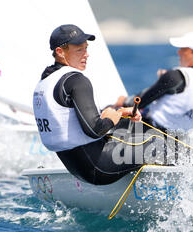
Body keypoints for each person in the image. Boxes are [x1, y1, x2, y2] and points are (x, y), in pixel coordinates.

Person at [33, 24, 154, 185]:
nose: (86, 55)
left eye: (86, 48)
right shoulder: (76, 80)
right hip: (101, 169)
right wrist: (112, 118)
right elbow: (95, 130)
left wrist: (120, 113)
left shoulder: (45, 81)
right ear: (60, 52)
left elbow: (74, 117)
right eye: (79, 50)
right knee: (159, 142)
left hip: (78, 170)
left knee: (130, 128)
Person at [115, 31, 193, 132]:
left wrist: (123, 100)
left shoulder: (176, 76)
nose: (179, 52)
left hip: (150, 132)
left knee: (109, 113)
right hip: (180, 138)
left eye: (184, 49)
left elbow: (138, 103)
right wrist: (166, 79)